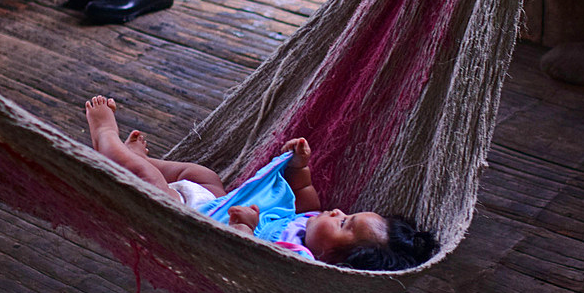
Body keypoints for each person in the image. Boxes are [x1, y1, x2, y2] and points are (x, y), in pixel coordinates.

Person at [85, 94, 437, 271]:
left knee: (153, 186)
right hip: (211, 204)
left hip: (188, 227)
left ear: (332, 256)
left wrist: (248, 230)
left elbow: (248, 260)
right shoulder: (309, 222)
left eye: (344, 222)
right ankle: (145, 163)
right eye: (347, 212)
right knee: (204, 177)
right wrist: (299, 167)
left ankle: (107, 138)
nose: (336, 210)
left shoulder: (298, 258)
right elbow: (303, 197)